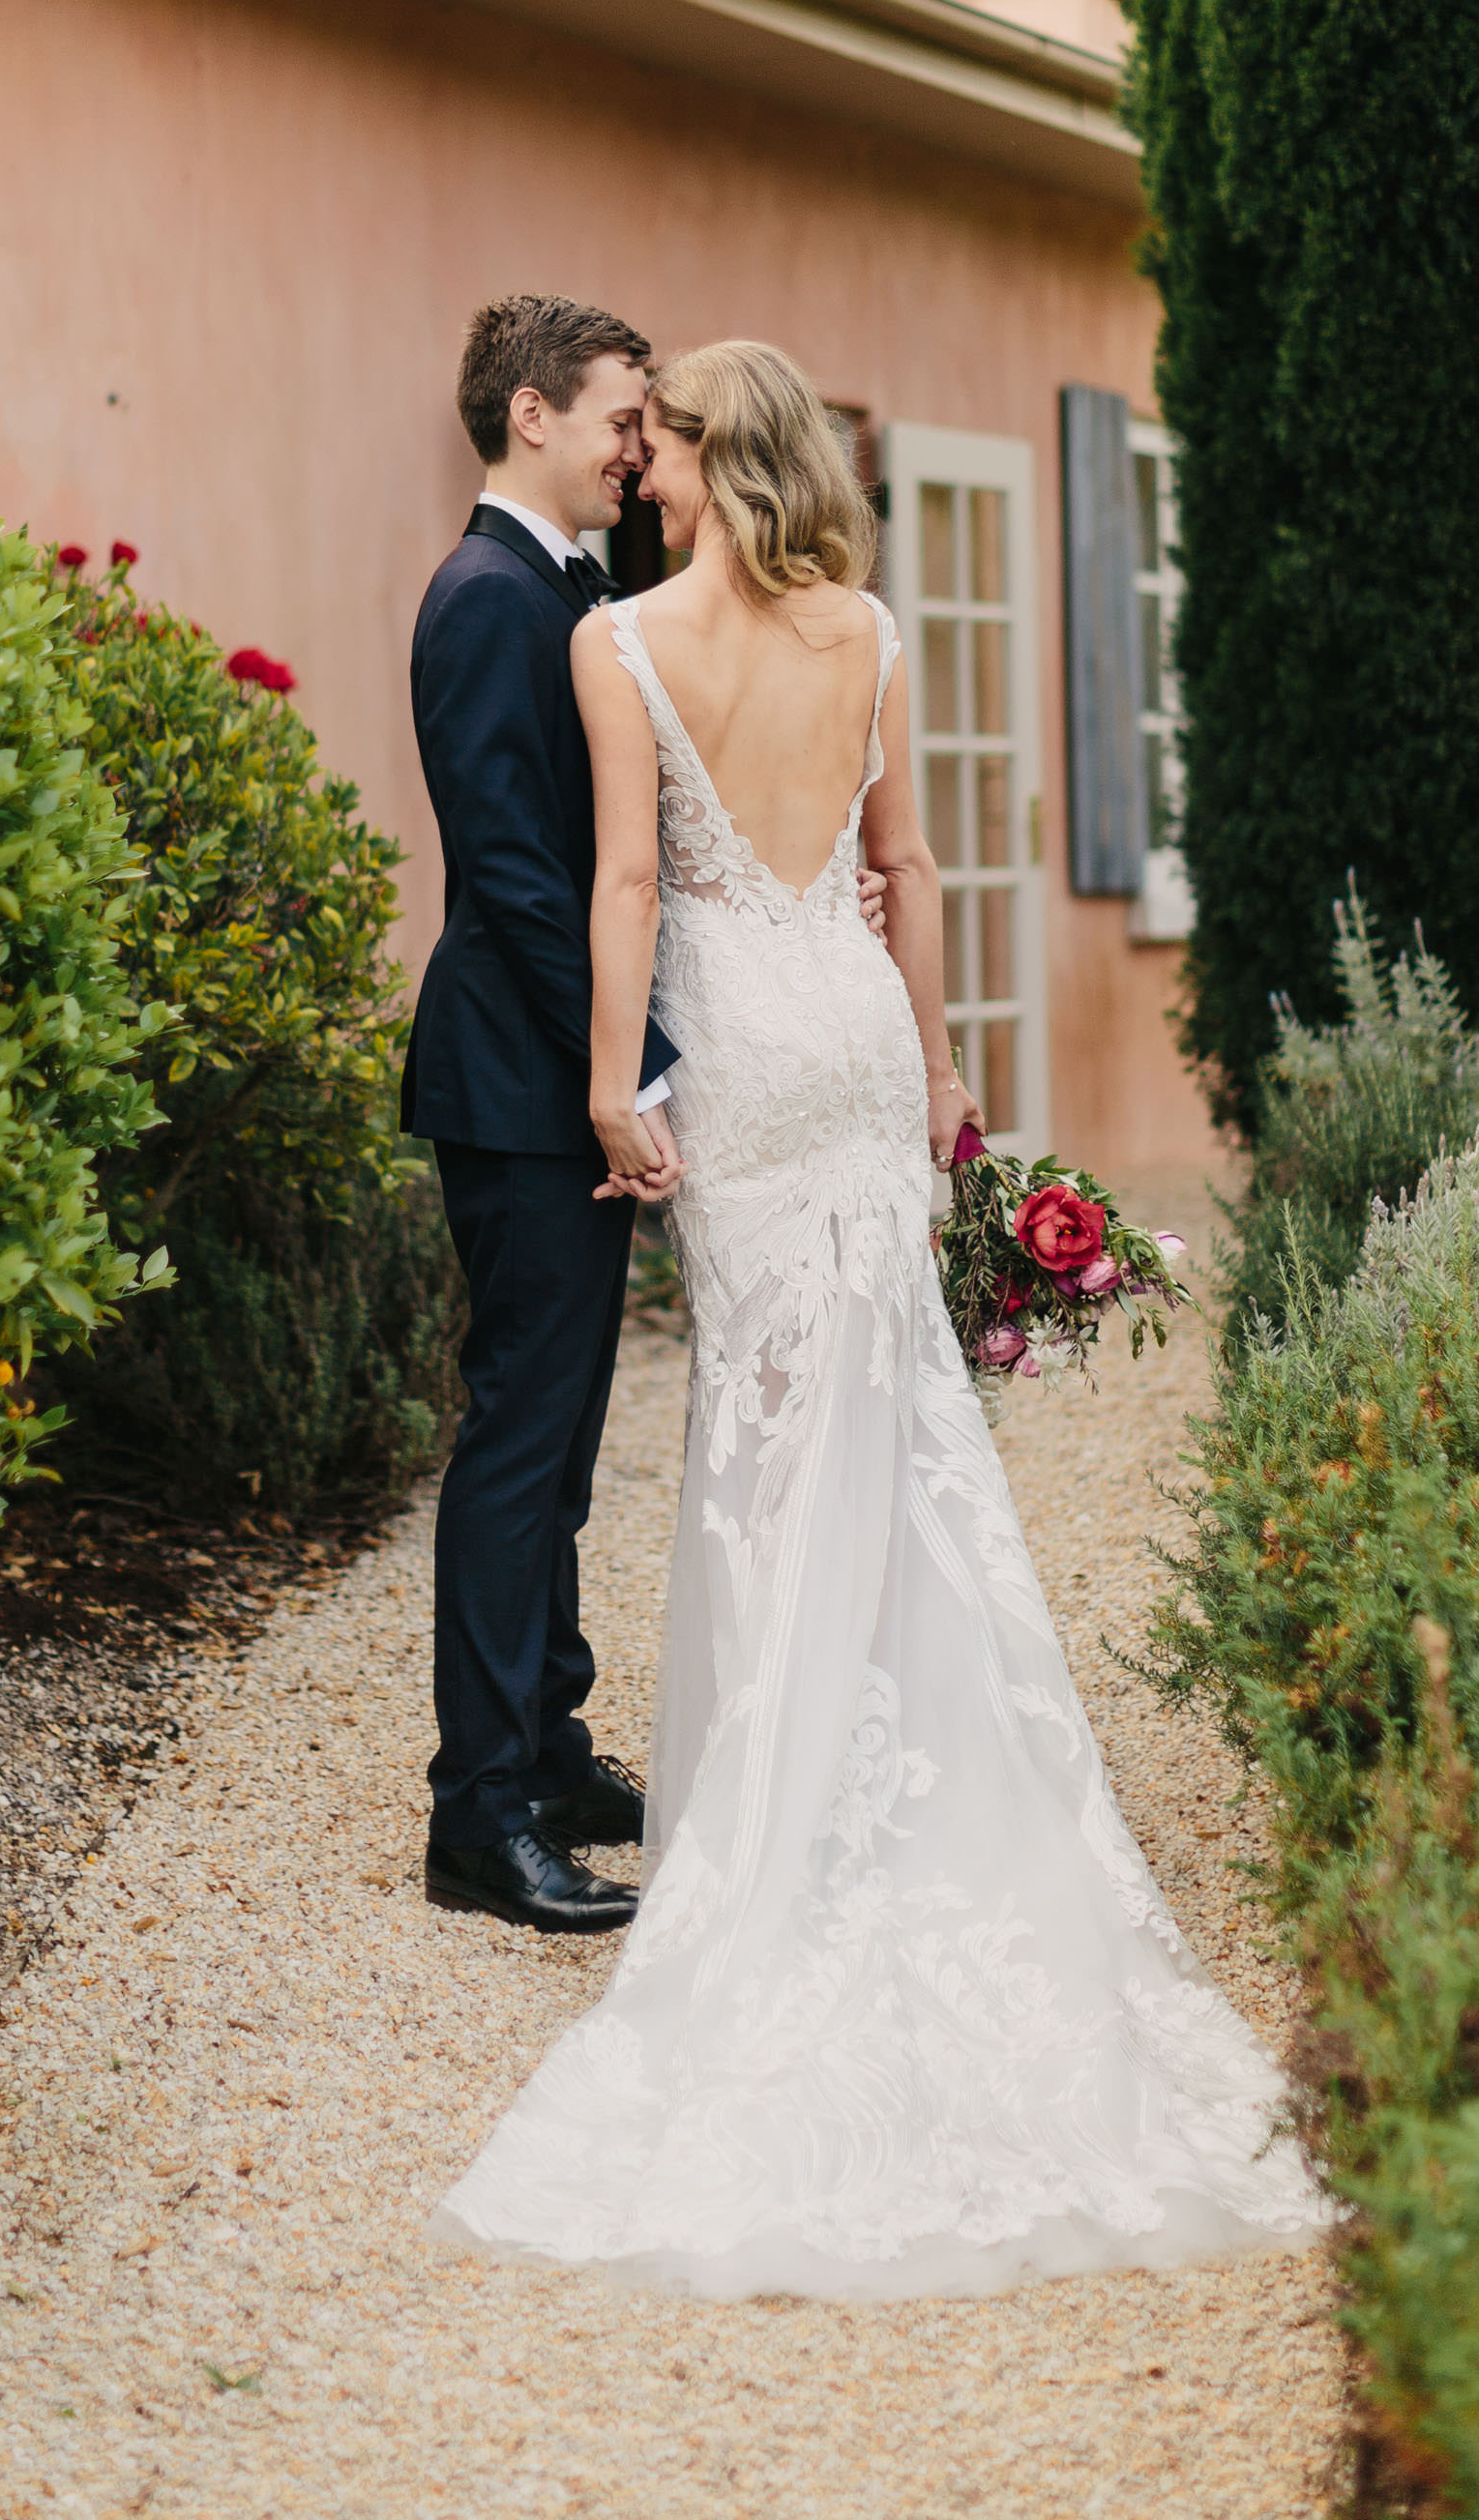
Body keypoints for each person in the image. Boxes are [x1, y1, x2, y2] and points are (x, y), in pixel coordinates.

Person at [431, 338, 1329, 2298]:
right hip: (846, 1046)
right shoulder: (871, 627)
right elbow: (907, 869)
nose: (637, 454)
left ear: (697, 462)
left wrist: (612, 1084)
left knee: (763, 1423)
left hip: (740, 1060)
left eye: (658, 434)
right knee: (892, 1399)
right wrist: (940, 1074)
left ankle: (783, 1795)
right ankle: (893, 1763)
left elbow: (625, 881)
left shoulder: (618, 643)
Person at [403, 297, 888, 1938]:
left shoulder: (589, 594)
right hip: (522, 1088)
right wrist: (648, 1073)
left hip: (577, 1086)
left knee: (562, 1453)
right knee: (518, 1443)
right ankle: (477, 1815)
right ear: (533, 413)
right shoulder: (481, 599)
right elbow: (525, 881)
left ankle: (546, 1744)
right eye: (620, 413)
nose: (636, 443)